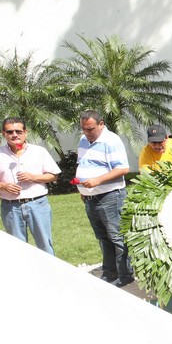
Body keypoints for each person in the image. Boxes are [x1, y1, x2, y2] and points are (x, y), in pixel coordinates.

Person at [75, 109, 133, 287]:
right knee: (102, 237)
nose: (87, 132)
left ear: (101, 124)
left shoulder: (111, 141)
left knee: (116, 237)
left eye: (90, 129)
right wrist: (83, 190)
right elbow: (83, 164)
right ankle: (109, 272)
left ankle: (125, 274)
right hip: (90, 197)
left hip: (110, 196)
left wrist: (97, 181)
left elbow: (122, 169)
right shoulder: (83, 140)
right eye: (84, 129)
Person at [0, 117, 61, 255]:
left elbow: (53, 175)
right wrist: (3, 186)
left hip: (37, 204)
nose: (14, 135)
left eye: (18, 131)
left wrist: (33, 177)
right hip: (10, 207)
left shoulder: (39, 151)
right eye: (9, 132)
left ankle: (48, 269)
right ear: (3, 133)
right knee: (18, 249)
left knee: (45, 245)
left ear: (25, 132)